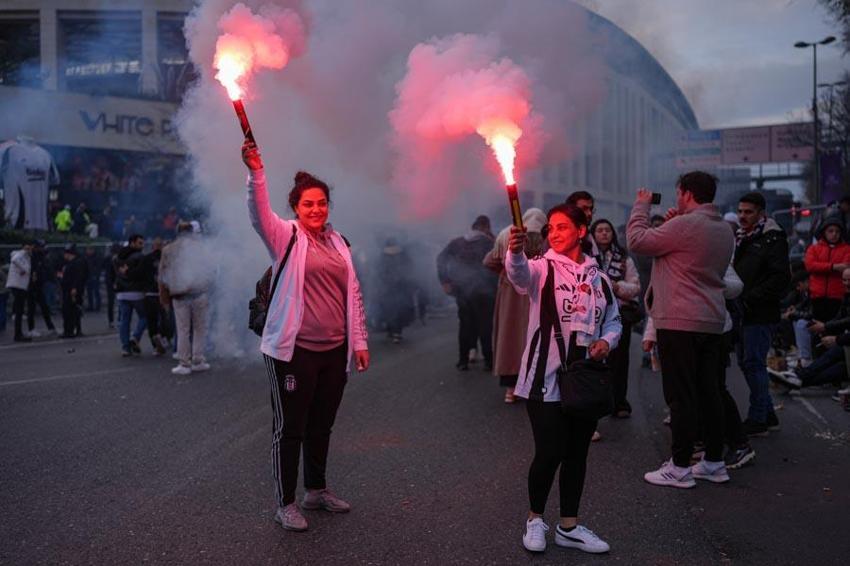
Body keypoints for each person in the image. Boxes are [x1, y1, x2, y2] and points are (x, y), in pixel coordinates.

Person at [242, 140, 369, 533]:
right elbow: (258, 214)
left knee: (321, 424)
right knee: (290, 427)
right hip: (293, 352)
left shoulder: (339, 242)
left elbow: (353, 294)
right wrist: (256, 173)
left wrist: (359, 341)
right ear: (296, 207)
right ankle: (286, 503)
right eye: (308, 204)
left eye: (322, 203)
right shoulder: (286, 236)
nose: (316, 210)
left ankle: (316, 490)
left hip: (334, 351)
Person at [506, 203, 621, 555]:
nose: (554, 234)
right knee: (549, 452)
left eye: (562, 227)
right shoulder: (542, 268)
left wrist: (606, 341)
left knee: (577, 454)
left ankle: (568, 526)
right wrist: (515, 252)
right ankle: (535, 519)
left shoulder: (599, 278)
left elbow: (614, 321)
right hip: (544, 378)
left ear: (581, 231)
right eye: (551, 228)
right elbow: (519, 276)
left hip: (584, 381)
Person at [627, 171, 733, 488]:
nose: (676, 199)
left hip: (679, 321)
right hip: (711, 320)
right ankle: (714, 462)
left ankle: (680, 467)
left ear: (686, 193)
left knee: (681, 395)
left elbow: (637, 241)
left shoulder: (685, 226)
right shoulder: (723, 228)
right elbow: (685, 253)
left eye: (678, 194)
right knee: (709, 392)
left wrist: (641, 206)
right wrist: (673, 224)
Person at [733, 191, 790, 436]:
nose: (742, 216)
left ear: (761, 213)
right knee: (745, 363)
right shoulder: (742, 237)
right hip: (743, 311)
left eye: (748, 212)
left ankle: (758, 419)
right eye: (740, 211)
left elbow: (780, 278)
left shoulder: (772, 238)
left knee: (753, 363)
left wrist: (750, 297)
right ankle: (768, 414)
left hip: (759, 312)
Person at [484, 208, 547, 403]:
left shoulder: (507, 235)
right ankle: (532, 385)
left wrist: (505, 272)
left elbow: (489, 261)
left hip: (510, 294)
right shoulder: (546, 238)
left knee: (509, 337)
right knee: (533, 337)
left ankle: (510, 389)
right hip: (535, 291)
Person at [591, 219, 641, 417]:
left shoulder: (624, 258)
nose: (604, 233)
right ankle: (596, 402)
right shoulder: (587, 257)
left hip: (619, 315)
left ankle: (619, 402)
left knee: (619, 362)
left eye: (607, 230)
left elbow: (635, 287)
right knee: (593, 360)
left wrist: (617, 287)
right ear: (593, 234)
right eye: (600, 230)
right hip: (594, 316)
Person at [771, 267, 850, 393]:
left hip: (845, 344)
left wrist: (835, 337)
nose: (846, 283)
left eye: (849, 280)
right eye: (844, 280)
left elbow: (844, 321)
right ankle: (793, 380)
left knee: (836, 357)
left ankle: (795, 377)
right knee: (834, 368)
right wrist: (825, 327)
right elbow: (840, 318)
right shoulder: (845, 296)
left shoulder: (815, 294)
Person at [437, 215, 498, 370]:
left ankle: (463, 361)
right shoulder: (489, 243)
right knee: (485, 326)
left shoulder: (457, 242)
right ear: (485, 227)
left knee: (465, 325)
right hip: (485, 292)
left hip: (462, 290)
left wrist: (445, 280)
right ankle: (489, 361)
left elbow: (441, 258)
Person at [159, 223, 216, 373]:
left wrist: (163, 297)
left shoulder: (168, 249)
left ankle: (184, 363)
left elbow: (162, 275)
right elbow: (211, 270)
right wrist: (207, 286)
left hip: (179, 295)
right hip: (199, 293)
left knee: (183, 330)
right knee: (199, 329)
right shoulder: (201, 248)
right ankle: (198, 360)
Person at [803, 215, 850, 324]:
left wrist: (821, 267)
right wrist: (833, 267)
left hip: (838, 297)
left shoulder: (847, 249)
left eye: (837, 231)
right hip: (816, 297)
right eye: (830, 231)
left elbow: (845, 267)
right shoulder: (813, 249)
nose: (834, 234)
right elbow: (810, 266)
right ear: (824, 232)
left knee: (834, 328)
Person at [375, 238, 415, 343]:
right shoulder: (401, 255)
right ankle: (395, 331)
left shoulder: (384, 257)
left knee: (394, 310)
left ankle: (394, 331)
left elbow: (379, 272)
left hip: (394, 288)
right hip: (393, 288)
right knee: (395, 310)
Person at [114, 234, 147, 356]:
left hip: (122, 292)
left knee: (124, 321)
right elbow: (142, 274)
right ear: (132, 243)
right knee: (145, 317)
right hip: (136, 292)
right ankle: (135, 337)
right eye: (140, 243)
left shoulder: (117, 257)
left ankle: (125, 347)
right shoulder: (139, 257)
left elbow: (116, 274)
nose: (142, 245)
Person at [139, 238, 167, 357]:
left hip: (149, 294)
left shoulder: (146, 259)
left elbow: (139, 275)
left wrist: (143, 289)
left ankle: (155, 344)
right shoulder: (166, 258)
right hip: (162, 293)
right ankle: (162, 336)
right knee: (165, 318)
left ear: (153, 246)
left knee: (151, 320)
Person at [27, 240, 57, 337]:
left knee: (44, 307)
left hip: (39, 285)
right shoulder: (33, 257)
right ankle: (31, 329)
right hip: (32, 286)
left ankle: (50, 327)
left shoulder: (40, 256)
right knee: (32, 308)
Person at [5, 241, 33, 342]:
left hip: (20, 285)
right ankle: (18, 334)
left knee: (19, 311)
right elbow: (15, 259)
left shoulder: (25, 256)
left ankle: (19, 333)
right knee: (19, 310)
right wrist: (26, 268)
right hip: (18, 285)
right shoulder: (21, 255)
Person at [60, 244, 88, 338]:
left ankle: (69, 330)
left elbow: (78, 277)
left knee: (70, 310)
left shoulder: (76, 263)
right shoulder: (73, 263)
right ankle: (72, 330)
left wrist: (74, 288)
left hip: (71, 290)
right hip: (70, 289)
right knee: (72, 310)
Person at [565, 191, 598, 256]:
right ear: (571, 210)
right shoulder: (561, 236)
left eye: (591, 209)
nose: (589, 213)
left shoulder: (589, 236)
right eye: (584, 209)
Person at [84, 247, 102, 312]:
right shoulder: (86, 257)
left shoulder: (96, 257)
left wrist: (95, 275)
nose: (87, 251)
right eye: (87, 250)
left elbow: (98, 268)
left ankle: (97, 306)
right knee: (90, 292)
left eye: (89, 250)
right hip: (88, 276)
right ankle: (91, 306)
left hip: (94, 277)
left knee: (96, 292)